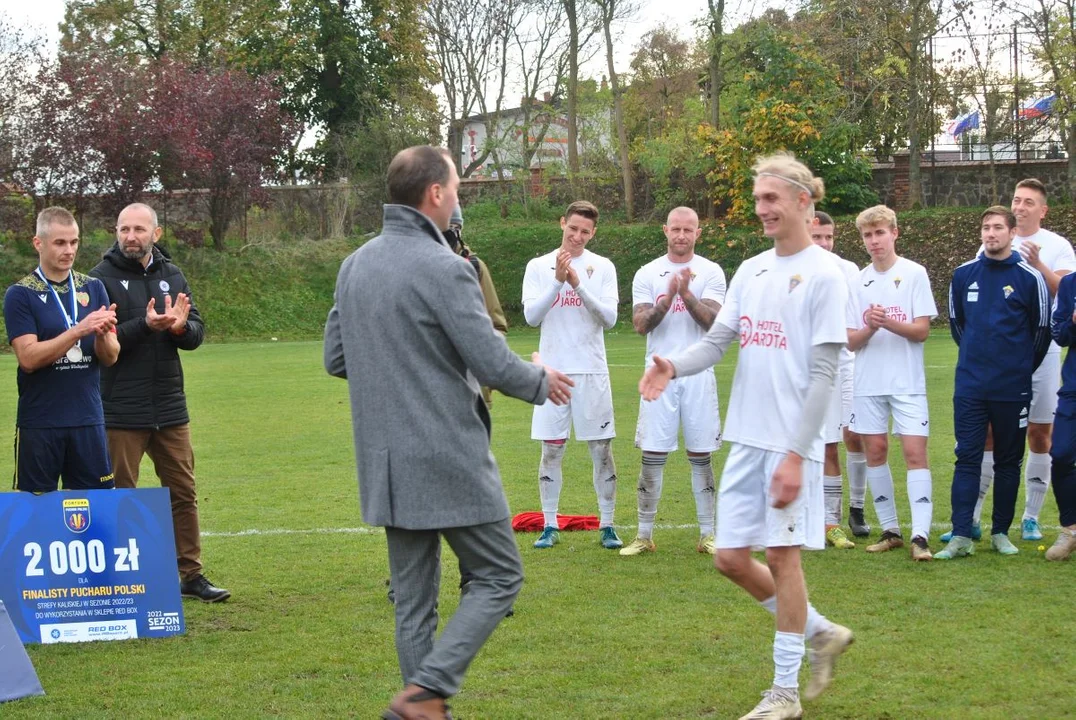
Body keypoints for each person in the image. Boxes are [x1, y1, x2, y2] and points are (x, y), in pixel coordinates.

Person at [323, 145, 574, 720]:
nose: (458, 197)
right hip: (447, 459)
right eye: (456, 188)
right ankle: (427, 691)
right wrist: (542, 380)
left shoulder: (354, 264)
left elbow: (337, 358)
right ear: (435, 194)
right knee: (501, 575)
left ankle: (421, 704)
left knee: (414, 607)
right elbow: (492, 362)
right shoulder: (448, 268)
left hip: (385, 462)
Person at [640, 152, 853, 719]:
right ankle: (822, 632)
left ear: (803, 202)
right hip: (746, 437)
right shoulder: (753, 269)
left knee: (783, 560)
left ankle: (783, 694)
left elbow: (825, 372)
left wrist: (796, 453)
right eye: (757, 199)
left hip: (791, 444)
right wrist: (671, 366)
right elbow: (718, 342)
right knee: (731, 558)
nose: (761, 209)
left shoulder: (828, 275)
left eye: (771, 199)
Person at [87, 203, 228, 603]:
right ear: (115, 232)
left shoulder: (173, 275)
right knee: (119, 497)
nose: (131, 237)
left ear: (156, 233)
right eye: (124, 229)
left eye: (139, 229)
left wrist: (182, 327)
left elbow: (196, 332)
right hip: (120, 409)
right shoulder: (99, 280)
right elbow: (98, 343)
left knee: (182, 493)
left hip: (169, 407)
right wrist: (143, 326)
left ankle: (191, 575)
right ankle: (114, 581)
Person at [944, 178, 1076, 543]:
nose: (1020, 205)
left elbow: (1063, 297)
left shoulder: (1057, 246)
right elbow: (964, 322)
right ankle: (970, 516)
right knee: (985, 436)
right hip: (994, 364)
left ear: (1042, 210)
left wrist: (1038, 264)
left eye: (1029, 201)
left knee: (1039, 433)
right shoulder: (988, 246)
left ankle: (1030, 517)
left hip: (1041, 354)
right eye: (1017, 199)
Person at [620, 206, 726, 557]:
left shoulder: (711, 271)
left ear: (699, 233)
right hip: (658, 374)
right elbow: (640, 324)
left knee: (701, 452)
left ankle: (708, 534)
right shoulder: (647, 272)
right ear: (665, 230)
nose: (681, 235)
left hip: (698, 374)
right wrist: (668, 299)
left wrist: (687, 294)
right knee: (653, 451)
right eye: (676, 229)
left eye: (688, 229)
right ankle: (644, 534)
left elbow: (713, 322)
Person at [522, 200, 622, 550]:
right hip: (553, 374)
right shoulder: (538, 266)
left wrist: (578, 284)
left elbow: (609, 319)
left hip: (592, 371)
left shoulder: (602, 267)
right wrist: (557, 282)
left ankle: (607, 525)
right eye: (572, 229)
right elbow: (532, 317)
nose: (577, 236)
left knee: (601, 451)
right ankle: (549, 525)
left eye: (585, 231)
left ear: (593, 232)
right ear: (562, 223)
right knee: (551, 450)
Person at [845, 205, 937, 561]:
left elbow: (922, 331)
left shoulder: (914, 273)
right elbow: (851, 340)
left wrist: (886, 323)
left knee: (915, 453)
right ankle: (891, 530)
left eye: (880, 233)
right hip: (868, 383)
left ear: (894, 233)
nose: (874, 241)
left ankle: (921, 536)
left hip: (907, 383)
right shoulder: (858, 281)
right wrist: (870, 325)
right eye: (868, 235)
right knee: (876, 453)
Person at [5, 207, 119, 493]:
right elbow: (28, 358)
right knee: (35, 514)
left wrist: (103, 335)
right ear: (38, 243)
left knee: (97, 510)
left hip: (88, 419)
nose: (69, 250)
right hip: (41, 422)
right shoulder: (20, 294)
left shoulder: (93, 288)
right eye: (60, 243)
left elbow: (111, 356)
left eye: (74, 242)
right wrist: (79, 330)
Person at [810, 211, 868, 549]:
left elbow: (857, 319)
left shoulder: (848, 271)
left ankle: (854, 510)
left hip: (847, 364)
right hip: (809, 368)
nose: (825, 244)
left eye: (829, 237)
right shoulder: (792, 267)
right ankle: (814, 518)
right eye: (818, 237)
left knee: (853, 434)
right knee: (814, 443)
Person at [444, 203, 508, 408]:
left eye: (454, 228)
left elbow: (496, 326)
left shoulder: (474, 267)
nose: (449, 234)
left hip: (471, 389)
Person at [1046, 271, 1076, 560]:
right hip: (1073, 388)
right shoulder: (1070, 284)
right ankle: (1070, 529)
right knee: (1062, 453)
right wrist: (1073, 321)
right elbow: (1060, 334)